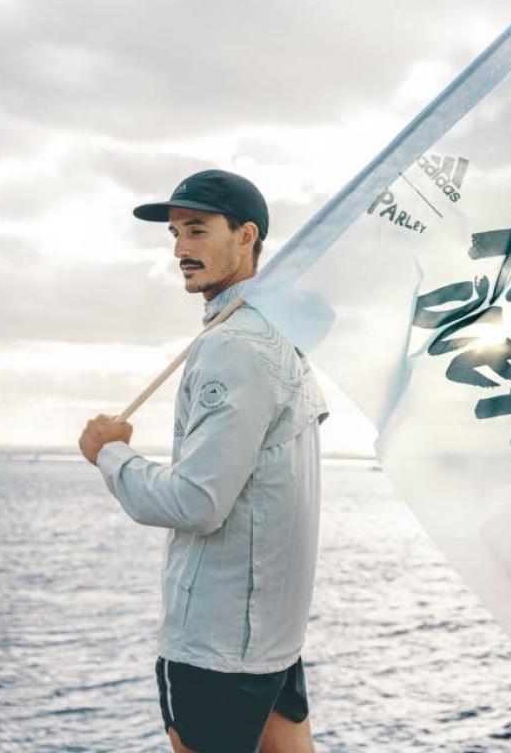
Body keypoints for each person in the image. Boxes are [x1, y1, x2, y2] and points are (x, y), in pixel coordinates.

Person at [77, 169, 328, 753]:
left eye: (196, 230)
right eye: (175, 234)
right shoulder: (281, 337)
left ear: (246, 236)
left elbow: (197, 501)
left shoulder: (234, 346)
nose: (180, 250)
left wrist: (110, 454)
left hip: (217, 647)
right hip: (271, 641)